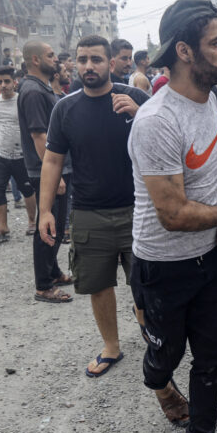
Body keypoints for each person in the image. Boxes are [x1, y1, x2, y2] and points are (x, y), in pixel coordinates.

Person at [127, 0, 217, 433]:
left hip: (211, 259)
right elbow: (173, 214)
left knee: (212, 354)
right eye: (216, 42)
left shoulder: (209, 105)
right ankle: (158, 383)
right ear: (183, 51)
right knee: (167, 354)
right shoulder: (156, 120)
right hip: (163, 264)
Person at [37, 35, 149, 378]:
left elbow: (168, 137)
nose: (89, 66)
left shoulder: (135, 98)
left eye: (96, 59)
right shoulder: (65, 108)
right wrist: (44, 211)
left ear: (111, 64)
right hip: (88, 212)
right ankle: (111, 347)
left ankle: (155, 341)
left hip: (139, 211)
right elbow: (53, 160)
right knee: (99, 285)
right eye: (82, 59)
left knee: (146, 285)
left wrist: (142, 114)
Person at [17, 40, 73, 304]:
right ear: (36, 60)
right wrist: (55, 176)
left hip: (53, 169)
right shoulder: (33, 92)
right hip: (45, 171)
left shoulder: (41, 88)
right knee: (49, 226)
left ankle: (53, 271)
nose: (57, 60)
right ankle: (43, 286)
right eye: (51, 55)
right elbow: (39, 136)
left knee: (59, 225)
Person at [0, 66, 36, 240]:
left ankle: (32, 222)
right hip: (1, 155)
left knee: (27, 190)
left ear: (14, 82)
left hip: (21, 156)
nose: (3, 85)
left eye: (7, 81)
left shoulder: (22, 100)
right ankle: (3, 226)